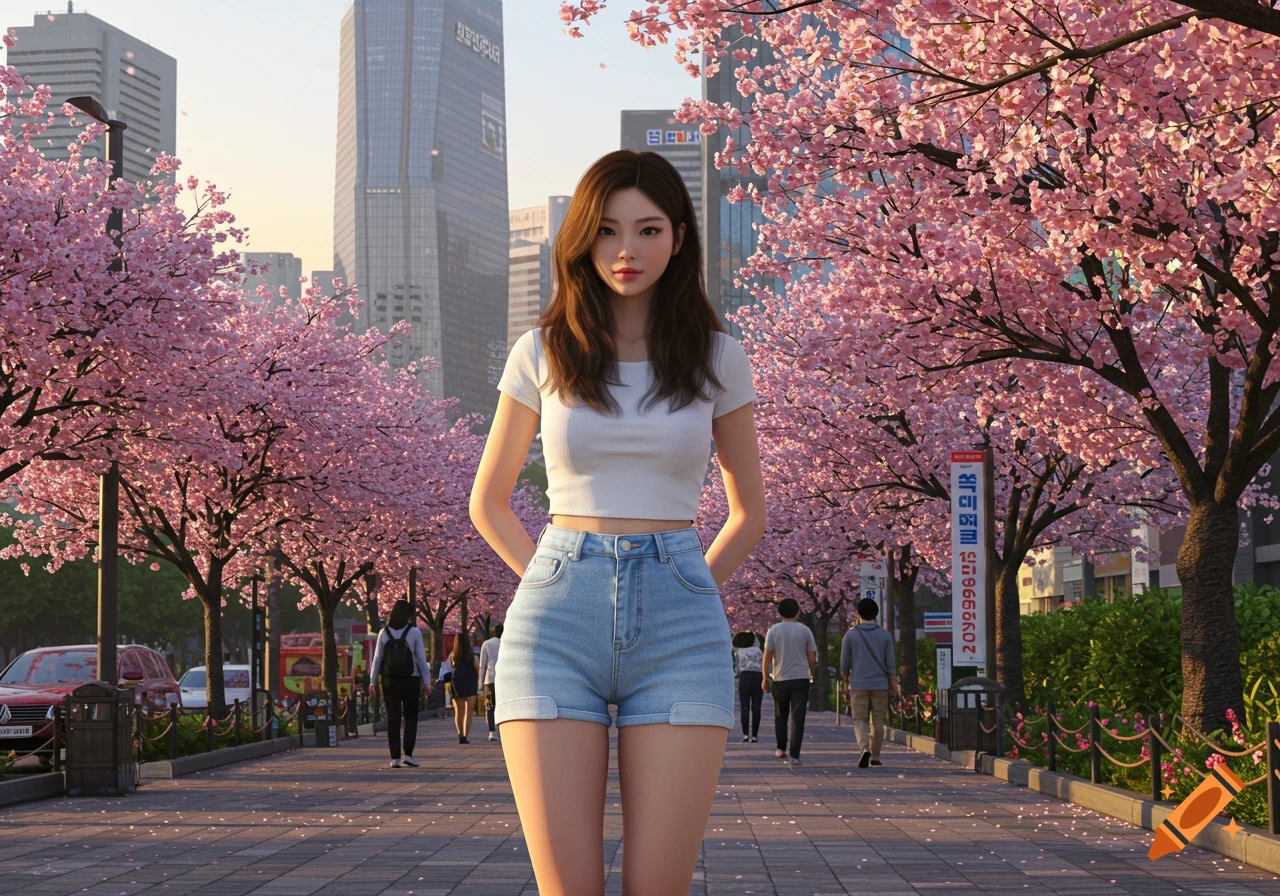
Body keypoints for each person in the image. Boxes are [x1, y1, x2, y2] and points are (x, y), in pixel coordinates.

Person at [469, 149, 766, 895]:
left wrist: (689, 584)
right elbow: (489, 500)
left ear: (679, 237)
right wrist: (548, 575)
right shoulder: (540, 351)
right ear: (580, 239)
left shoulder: (719, 358)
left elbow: (748, 513)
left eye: (647, 229)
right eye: (606, 230)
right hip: (554, 623)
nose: (626, 249)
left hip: (680, 628)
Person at [368, 599, 431, 768]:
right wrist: (427, 682)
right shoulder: (414, 632)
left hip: (389, 680)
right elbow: (420, 658)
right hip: (411, 678)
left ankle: (395, 758)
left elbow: (378, 658)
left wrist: (372, 682)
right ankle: (408, 755)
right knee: (411, 717)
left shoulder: (384, 632)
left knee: (393, 718)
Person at [841, 597, 899, 768]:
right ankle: (875, 756)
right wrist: (893, 684)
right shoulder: (885, 635)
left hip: (858, 684)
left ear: (858, 613)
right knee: (878, 721)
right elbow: (891, 664)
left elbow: (844, 664)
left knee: (860, 719)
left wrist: (846, 679)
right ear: (876, 614)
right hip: (880, 685)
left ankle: (864, 748)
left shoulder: (850, 635)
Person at [762, 599, 816, 767]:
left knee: (780, 715)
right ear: (797, 612)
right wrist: (811, 671)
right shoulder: (805, 630)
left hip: (780, 679)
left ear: (780, 613)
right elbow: (811, 656)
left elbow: (767, 656)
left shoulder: (773, 630)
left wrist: (765, 677)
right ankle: (795, 755)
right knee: (798, 718)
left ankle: (780, 748)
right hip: (800, 678)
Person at [732, 630, 764, 743]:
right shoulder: (759, 652)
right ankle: (754, 735)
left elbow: (737, 669)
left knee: (744, 707)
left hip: (745, 677)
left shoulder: (739, 652)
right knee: (756, 707)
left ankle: (745, 734)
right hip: (758, 677)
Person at [449, 629, 479, 743]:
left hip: (457, 683)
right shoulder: (473, 657)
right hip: (471, 682)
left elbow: (450, 668)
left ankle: (460, 735)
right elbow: (478, 668)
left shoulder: (453, 656)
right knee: (469, 711)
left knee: (458, 711)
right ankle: (466, 735)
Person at [478, 623, 503, 742]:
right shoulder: (506, 643)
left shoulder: (487, 644)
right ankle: (502, 730)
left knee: (490, 707)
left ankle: (492, 732)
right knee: (502, 706)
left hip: (490, 680)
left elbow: (482, 665)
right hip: (504, 680)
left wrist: (480, 684)